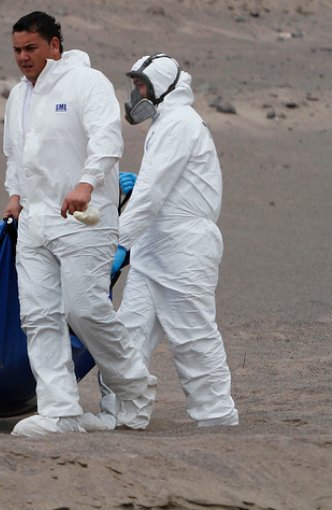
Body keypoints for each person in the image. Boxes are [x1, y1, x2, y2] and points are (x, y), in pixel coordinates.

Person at [1, 11, 156, 438]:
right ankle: (61, 411)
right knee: (38, 316)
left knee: (84, 309)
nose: (23, 57)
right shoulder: (18, 96)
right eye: (16, 50)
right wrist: (15, 197)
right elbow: (15, 155)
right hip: (35, 221)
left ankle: (135, 389)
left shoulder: (87, 83)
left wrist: (86, 183)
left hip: (84, 218)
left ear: (55, 45)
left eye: (31, 48)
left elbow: (107, 138)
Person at [115, 54, 238, 427]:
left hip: (183, 247)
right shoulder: (167, 123)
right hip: (154, 245)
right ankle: (126, 414)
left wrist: (119, 243)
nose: (136, 94)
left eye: (141, 86)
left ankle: (217, 417)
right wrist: (140, 189)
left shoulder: (179, 123)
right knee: (127, 334)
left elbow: (153, 196)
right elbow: (162, 187)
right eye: (135, 86)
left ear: (161, 86)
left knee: (192, 337)